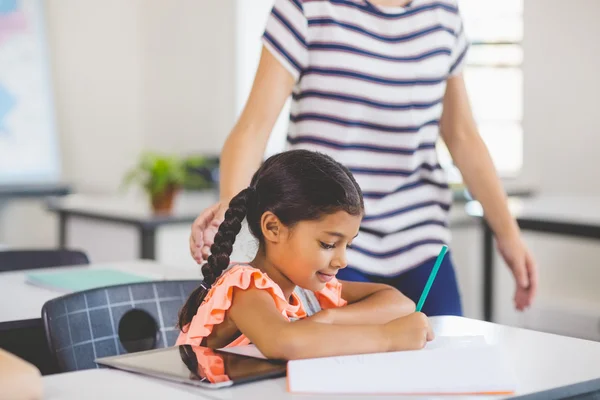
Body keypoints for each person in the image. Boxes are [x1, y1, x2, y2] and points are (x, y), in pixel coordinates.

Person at [190, 0, 538, 316]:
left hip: (419, 239)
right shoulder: (306, 9)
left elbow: (463, 136)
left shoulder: (443, 15)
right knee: (344, 368)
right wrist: (230, 203)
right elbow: (253, 128)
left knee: (442, 363)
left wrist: (508, 234)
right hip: (324, 238)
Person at [177, 150, 433, 360]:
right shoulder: (244, 288)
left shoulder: (307, 289)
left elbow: (399, 303)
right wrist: (387, 338)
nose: (342, 261)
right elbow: (283, 341)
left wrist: (328, 318)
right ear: (272, 228)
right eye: (328, 244)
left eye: (348, 245)